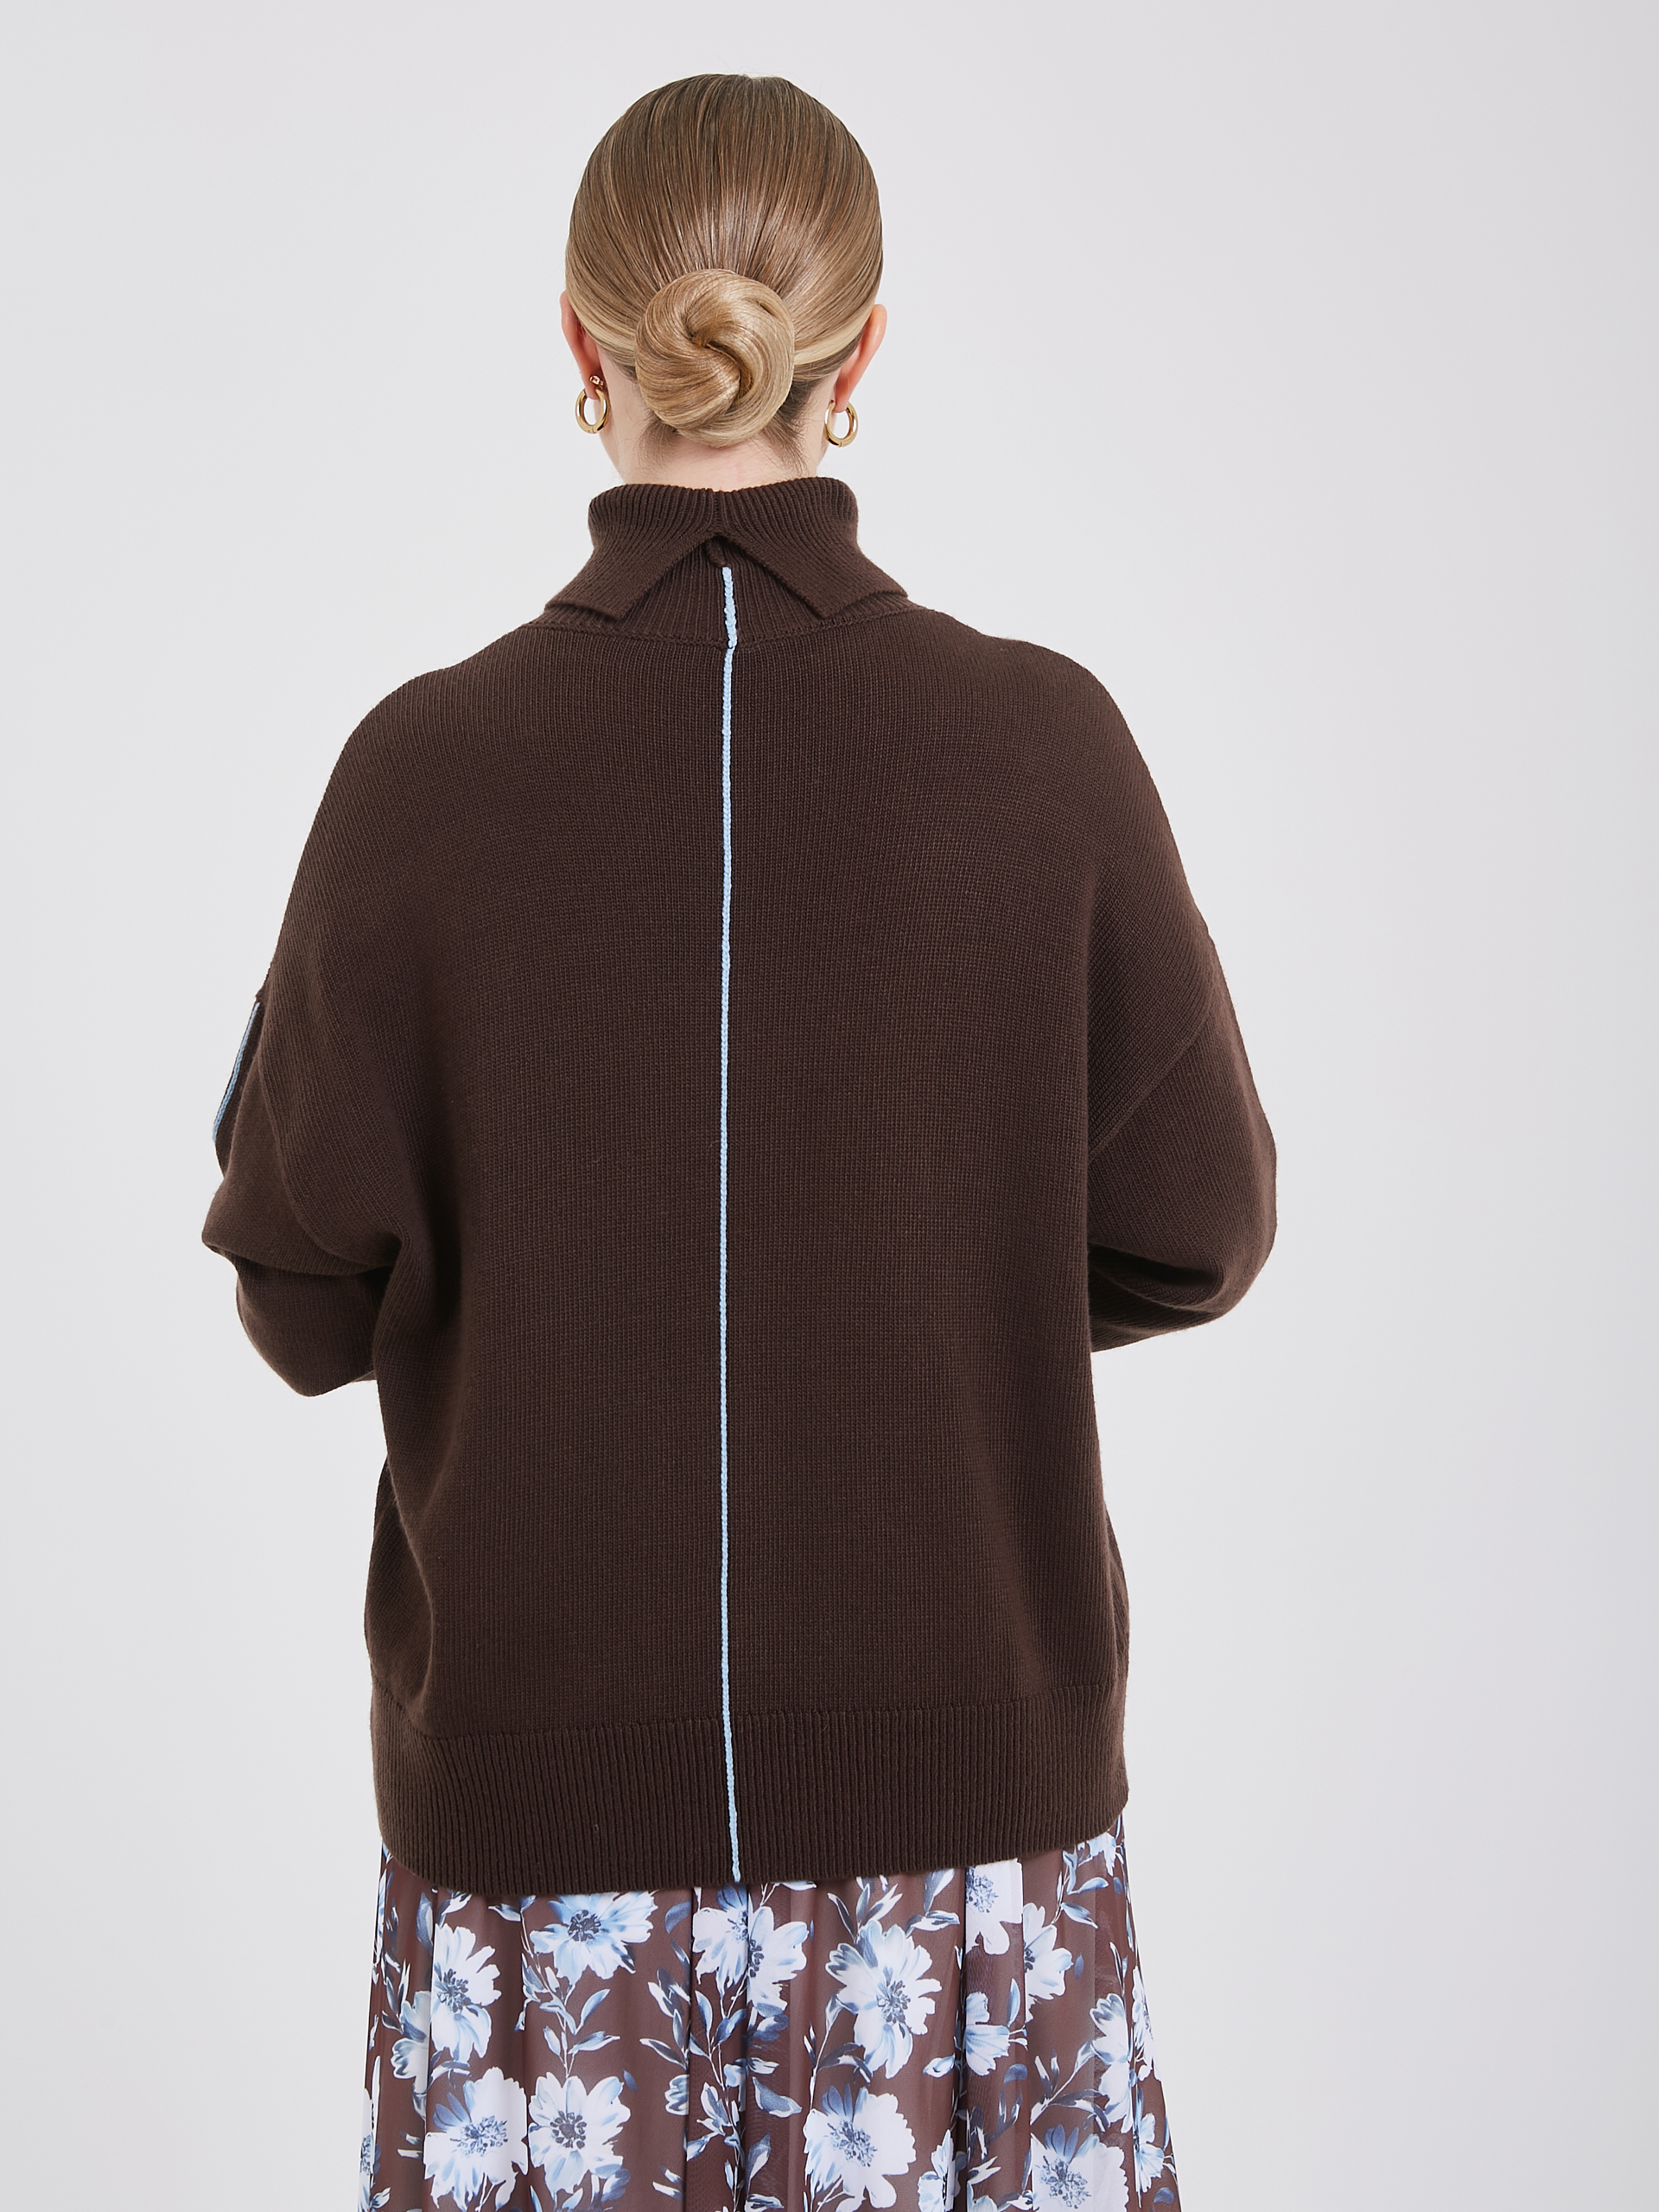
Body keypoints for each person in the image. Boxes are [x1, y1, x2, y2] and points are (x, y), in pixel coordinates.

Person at [203, 73, 1274, 2212]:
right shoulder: (1039, 747)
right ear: (860, 355)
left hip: (540, 1907)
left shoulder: (420, 776)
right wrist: (926, 1265)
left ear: (577, 341)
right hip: (966, 1886)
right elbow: (1198, 1224)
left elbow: (300, 1290)